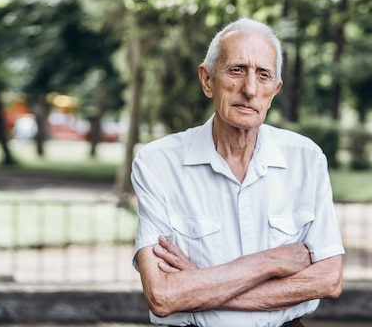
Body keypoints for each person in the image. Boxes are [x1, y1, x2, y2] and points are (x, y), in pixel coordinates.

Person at [131, 18, 345, 327]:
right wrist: (272, 261)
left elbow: (328, 280)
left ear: (275, 90)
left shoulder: (307, 159)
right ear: (207, 80)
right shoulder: (157, 163)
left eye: (263, 75)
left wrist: (198, 286)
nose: (249, 89)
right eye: (236, 70)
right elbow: (164, 296)